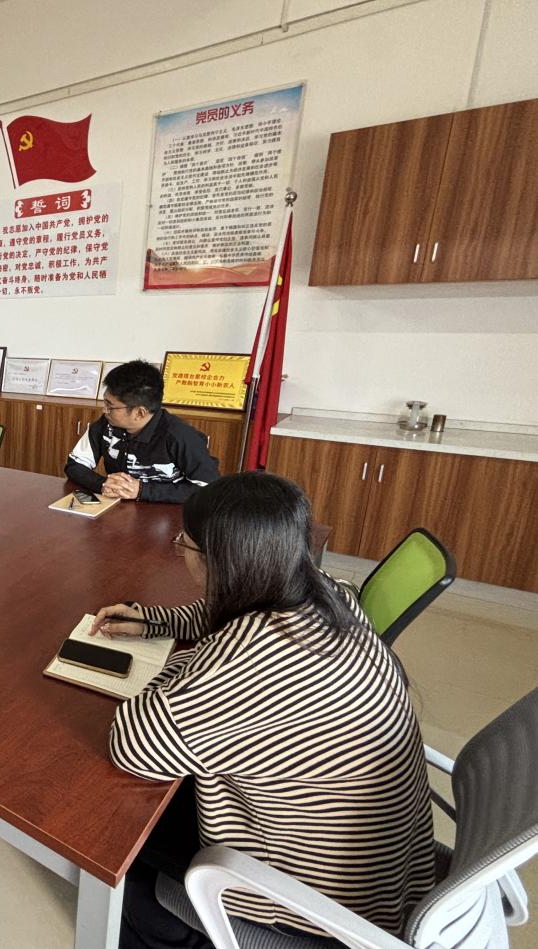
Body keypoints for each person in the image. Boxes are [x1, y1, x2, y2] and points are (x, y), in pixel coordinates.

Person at [94, 472, 436, 949]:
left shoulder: (253, 657)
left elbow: (133, 743)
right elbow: (230, 608)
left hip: (311, 903)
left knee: (118, 841)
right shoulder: (327, 591)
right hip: (376, 865)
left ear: (222, 563)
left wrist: (180, 663)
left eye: (184, 544)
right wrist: (157, 621)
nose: (180, 552)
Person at [65, 359, 219, 503]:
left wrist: (142, 490)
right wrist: (102, 483)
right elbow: (75, 465)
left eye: (110, 406)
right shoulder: (107, 424)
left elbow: (208, 489)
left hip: (168, 513)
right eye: (104, 402)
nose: (104, 410)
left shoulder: (180, 436)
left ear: (140, 413)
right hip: (119, 509)